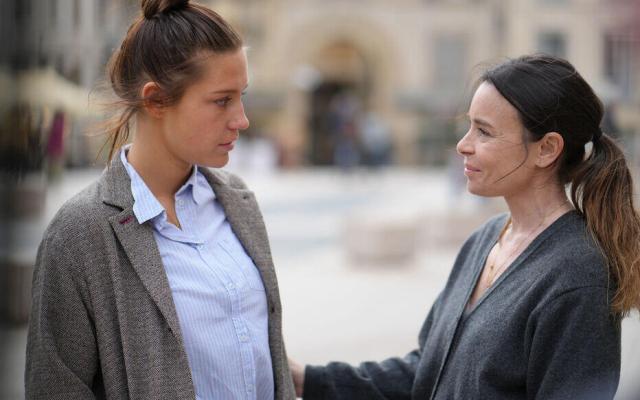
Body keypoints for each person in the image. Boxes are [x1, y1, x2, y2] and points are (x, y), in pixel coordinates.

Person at [290, 54, 640, 399]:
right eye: (468, 126)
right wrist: (309, 380)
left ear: (546, 149)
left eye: (484, 132)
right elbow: (428, 371)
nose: (462, 145)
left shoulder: (578, 276)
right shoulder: (485, 240)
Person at [25, 1, 295, 399]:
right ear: (154, 100)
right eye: (222, 100)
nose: (242, 119)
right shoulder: (79, 235)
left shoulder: (239, 202)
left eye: (241, 96)